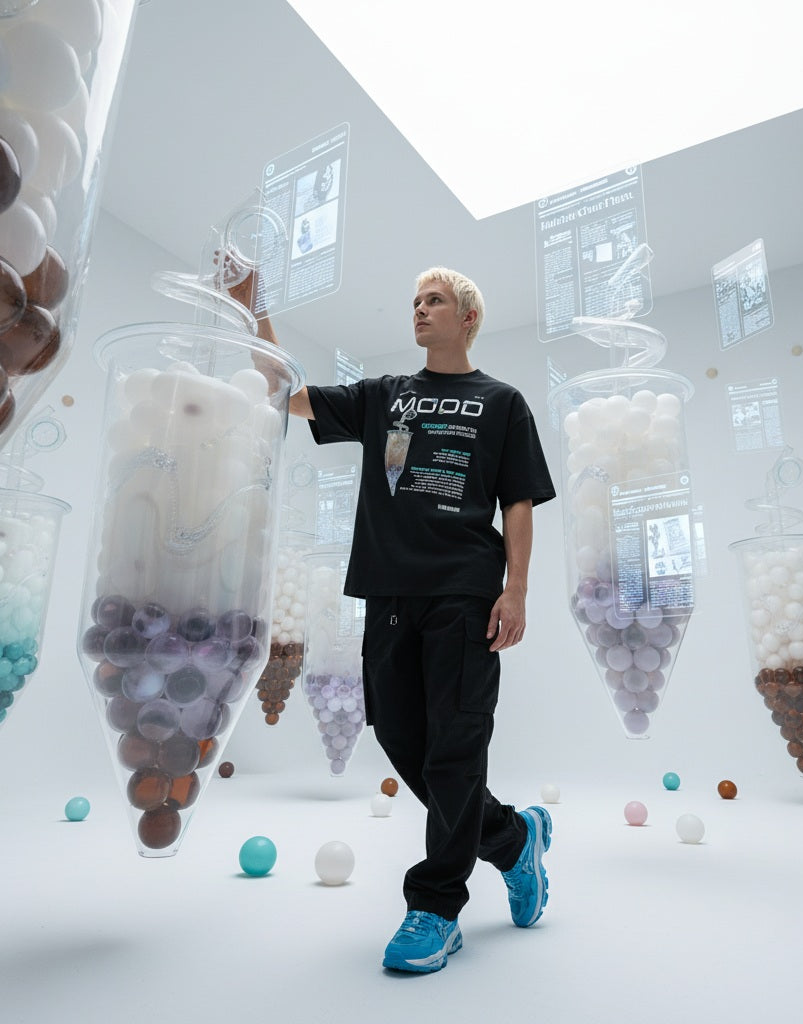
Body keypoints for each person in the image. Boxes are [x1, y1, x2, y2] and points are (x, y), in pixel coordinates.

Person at [235, 265, 556, 973]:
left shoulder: (502, 402)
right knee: (402, 735)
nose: (419, 308)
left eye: (434, 300)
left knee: (456, 745)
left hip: (467, 592)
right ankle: (512, 840)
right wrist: (253, 308)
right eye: (414, 300)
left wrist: (518, 589)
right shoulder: (386, 396)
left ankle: (436, 906)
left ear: (468, 315)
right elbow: (286, 395)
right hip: (387, 593)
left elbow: (519, 501)